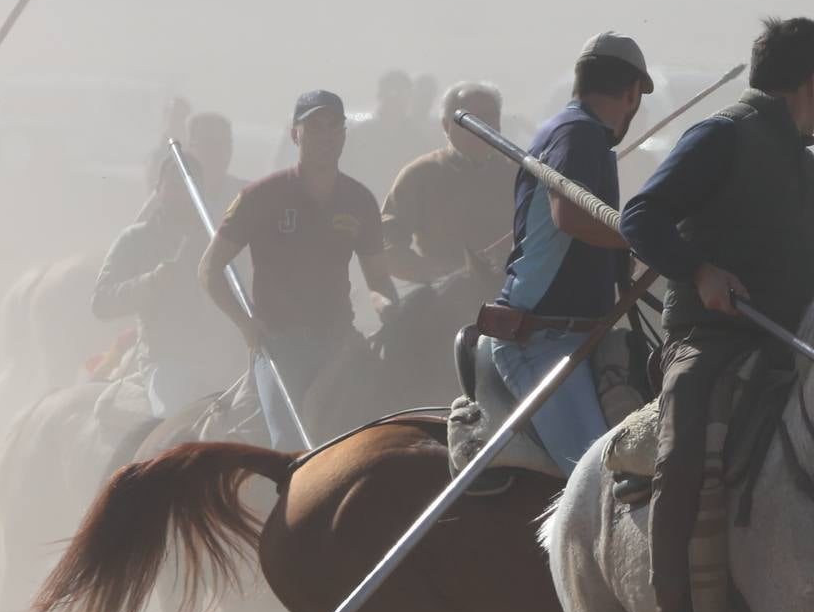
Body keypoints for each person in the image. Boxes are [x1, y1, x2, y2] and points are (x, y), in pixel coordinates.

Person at [620, 16, 814, 612]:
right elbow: (642, 218)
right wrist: (701, 272)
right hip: (715, 339)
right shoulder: (721, 136)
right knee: (685, 441)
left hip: (800, 345)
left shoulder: (809, 171)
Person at [195, 89, 403, 449]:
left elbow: (378, 280)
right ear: (295, 134)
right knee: (288, 444)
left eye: (334, 127)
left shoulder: (360, 201)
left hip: (340, 344)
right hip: (279, 346)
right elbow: (209, 269)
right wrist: (245, 324)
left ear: (343, 135)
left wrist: (391, 312)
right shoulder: (262, 196)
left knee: (382, 435)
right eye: (315, 127)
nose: (326, 136)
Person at [487, 37, 653, 475]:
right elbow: (572, 217)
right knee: (598, 480)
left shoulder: (580, 133)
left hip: (576, 337)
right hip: (540, 339)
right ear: (632, 93)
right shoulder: (577, 133)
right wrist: (644, 240)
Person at [94, 142, 247, 416]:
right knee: (175, 423)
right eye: (173, 184)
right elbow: (102, 303)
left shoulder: (223, 238)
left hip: (228, 361)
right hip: (169, 362)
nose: (182, 194)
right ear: (158, 189)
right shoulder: (135, 239)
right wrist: (152, 282)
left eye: (189, 186)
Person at [382, 80, 518, 281]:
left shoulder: (518, 173)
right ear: (446, 125)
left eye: (489, 117)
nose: (482, 127)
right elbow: (387, 245)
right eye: (471, 119)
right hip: (449, 300)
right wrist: (441, 275)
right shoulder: (420, 175)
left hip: (511, 296)